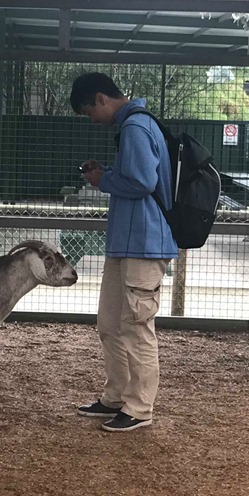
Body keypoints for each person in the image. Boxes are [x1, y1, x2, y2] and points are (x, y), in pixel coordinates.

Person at [70, 73, 178, 433]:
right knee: (111, 323)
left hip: (144, 243)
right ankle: (116, 395)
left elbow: (143, 182)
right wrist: (107, 174)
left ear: (101, 99)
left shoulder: (135, 127)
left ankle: (139, 407)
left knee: (136, 326)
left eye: (90, 112)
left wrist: (104, 180)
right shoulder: (134, 126)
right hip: (127, 242)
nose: (92, 120)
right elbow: (138, 177)